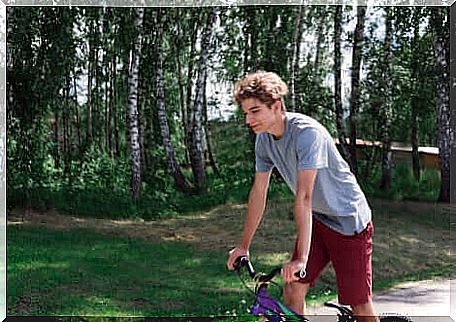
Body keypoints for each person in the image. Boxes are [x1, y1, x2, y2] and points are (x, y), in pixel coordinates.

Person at [226, 71, 379, 322]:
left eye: (254, 111)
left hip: (348, 221)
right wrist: (244, 245)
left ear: (276, 107)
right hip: (318, 219)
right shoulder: (263, 140)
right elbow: (258, 192)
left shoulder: (307, 134)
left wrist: (301, 260)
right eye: (245, 113)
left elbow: (304, 196)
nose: (248, 120)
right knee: (293, 287)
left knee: (359, 305)